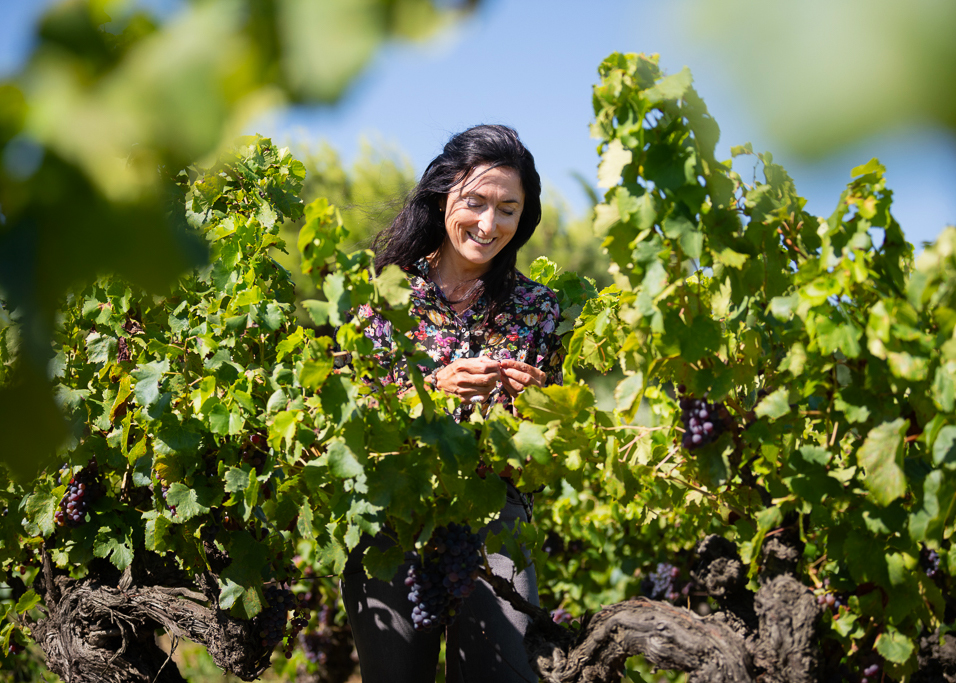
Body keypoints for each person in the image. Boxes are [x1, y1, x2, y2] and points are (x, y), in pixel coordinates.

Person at [341, 124, 563, 683]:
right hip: (395, 516)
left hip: (496, 517)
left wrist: (544, 407)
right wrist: (431, 389)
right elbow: (347, 417)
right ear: (444, 196)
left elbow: (550, 449)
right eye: (475, 203)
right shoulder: (382, 296)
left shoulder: (541, 309)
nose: (489, 225)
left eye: (508, 209)